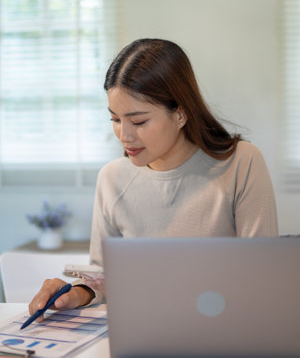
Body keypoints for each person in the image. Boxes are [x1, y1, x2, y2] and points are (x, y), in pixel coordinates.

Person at [29, 38, 278, 318]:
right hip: (143, 331)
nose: (125, 135)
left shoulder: (241, 163)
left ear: (181, 113)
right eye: (115, 119)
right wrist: (78, 293)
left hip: (223, 328)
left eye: (138, 122)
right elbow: (102, 276)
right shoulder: (112, 178)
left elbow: (261, 275)